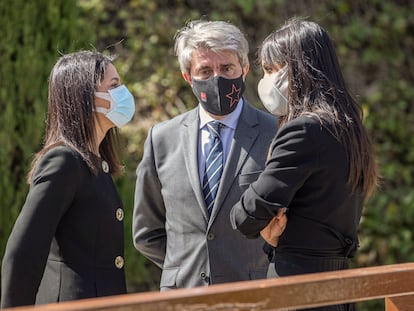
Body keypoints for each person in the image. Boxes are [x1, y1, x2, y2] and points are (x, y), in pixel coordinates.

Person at [230, 19, 379, 311]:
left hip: (298, 289)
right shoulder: (349, 130)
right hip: (339, 287)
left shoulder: (303, 130)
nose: (267, 80)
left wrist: (266, 228)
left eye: (272, 70)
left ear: (299, 70)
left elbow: (244, 216)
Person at [132, 19, 278, 290]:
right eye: (205, 70)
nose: (217, 78)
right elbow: (146, 233)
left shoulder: (276, 133)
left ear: (244, 70)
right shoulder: (161, 139)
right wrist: (186, 270)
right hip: (184, 298)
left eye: (226, 68)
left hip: (255, 296)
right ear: (188, 77)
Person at [1, 50, 135, 308]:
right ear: (85, 97)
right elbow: (24, 251)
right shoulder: (63, 161)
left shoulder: (97, 164)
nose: (124, 93)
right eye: (114, 85)